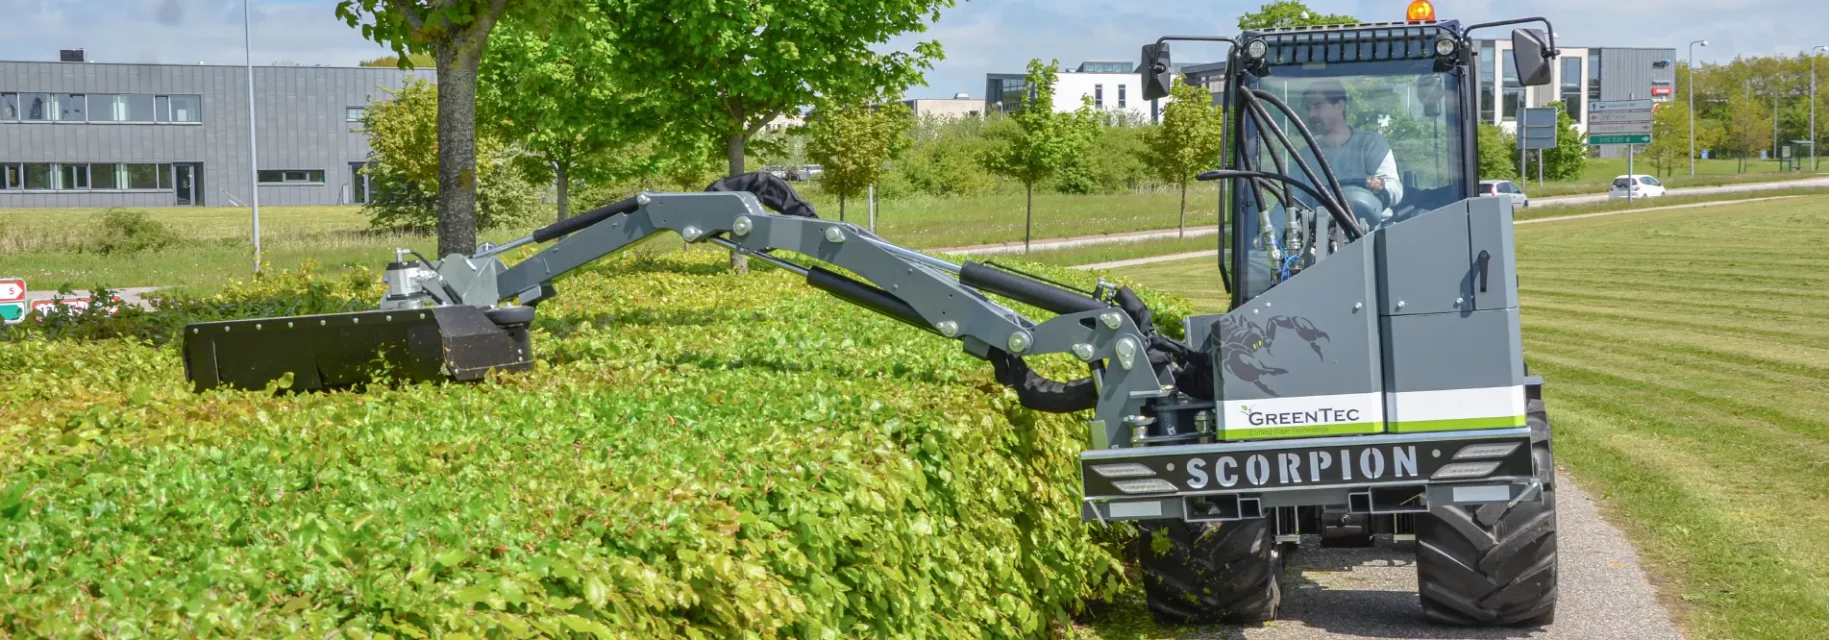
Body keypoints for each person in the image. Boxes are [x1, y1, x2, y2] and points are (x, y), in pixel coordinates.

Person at [1295, 79, 1403, 217]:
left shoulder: (1370, 144)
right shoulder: (1306, 156)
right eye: (1308, 108)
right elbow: (1292, 201)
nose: (1311, 115)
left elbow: (1396, 191)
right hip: (1323, 232)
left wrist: (1380, 185)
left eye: (1318, 106)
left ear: (1339, 106)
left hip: (1376, 231)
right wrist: (1272, 233)